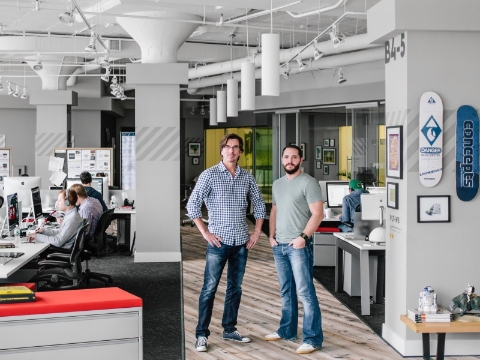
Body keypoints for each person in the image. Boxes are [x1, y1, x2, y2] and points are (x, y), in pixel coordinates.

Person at [186, 133, 266, 352]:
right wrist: (205, 233)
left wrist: (257, 232)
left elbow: (259, 205)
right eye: (228, 147)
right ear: (222, 150)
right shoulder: (209, 175)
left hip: (241, 243)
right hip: (218, 243)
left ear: (240, 152)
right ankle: (201, 334)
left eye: (236, 147)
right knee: (209, 289)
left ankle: (229, 329)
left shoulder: (246, 177)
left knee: (235, 288)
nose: (232, 150)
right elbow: (192, 206)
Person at [266, 145, 324, 355]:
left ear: (301, 159)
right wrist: (271, 236)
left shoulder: (309, 183)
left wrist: (303, 238)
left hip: (299, 246)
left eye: (294, 157)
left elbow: (318, 214)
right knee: (286, 291)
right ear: (282, 159)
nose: (290, 160)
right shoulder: (277, 184)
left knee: (305, 293)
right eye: (286, 157)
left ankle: (313, 338)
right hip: (279, 245)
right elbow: (274, 210)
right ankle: (287, 330)